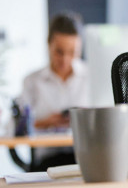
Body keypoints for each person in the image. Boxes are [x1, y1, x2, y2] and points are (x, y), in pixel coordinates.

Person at [17, 12, 90, 170]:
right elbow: (16, 128)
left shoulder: (91, 77)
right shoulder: (32, 81)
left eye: (72, 53)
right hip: (47, 162)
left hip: (85, 158)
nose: (65, 60)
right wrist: (45, 123)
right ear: (48, 45)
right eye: (59, 52)